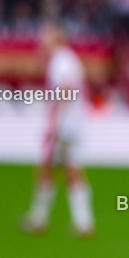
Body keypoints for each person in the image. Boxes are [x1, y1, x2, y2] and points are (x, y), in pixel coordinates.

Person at [20, 23, 96, 238]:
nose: (41, 44)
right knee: (71, 170)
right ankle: (83, 223)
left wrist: (56, 122)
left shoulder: (60, 60)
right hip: (74, 124)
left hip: (65, 125)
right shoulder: (68, 58)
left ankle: (39, 219)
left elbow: (68, 87)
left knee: (47, 168)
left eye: (44, 39)